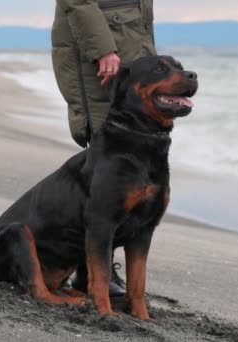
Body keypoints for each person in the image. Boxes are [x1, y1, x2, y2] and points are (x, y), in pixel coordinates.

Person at [50, 0, 156, 299]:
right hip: (101, 52)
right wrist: (103, 49)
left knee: (130, 158)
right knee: (106, 155)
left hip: (128, 45)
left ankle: (98, 265)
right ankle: (91, 272)